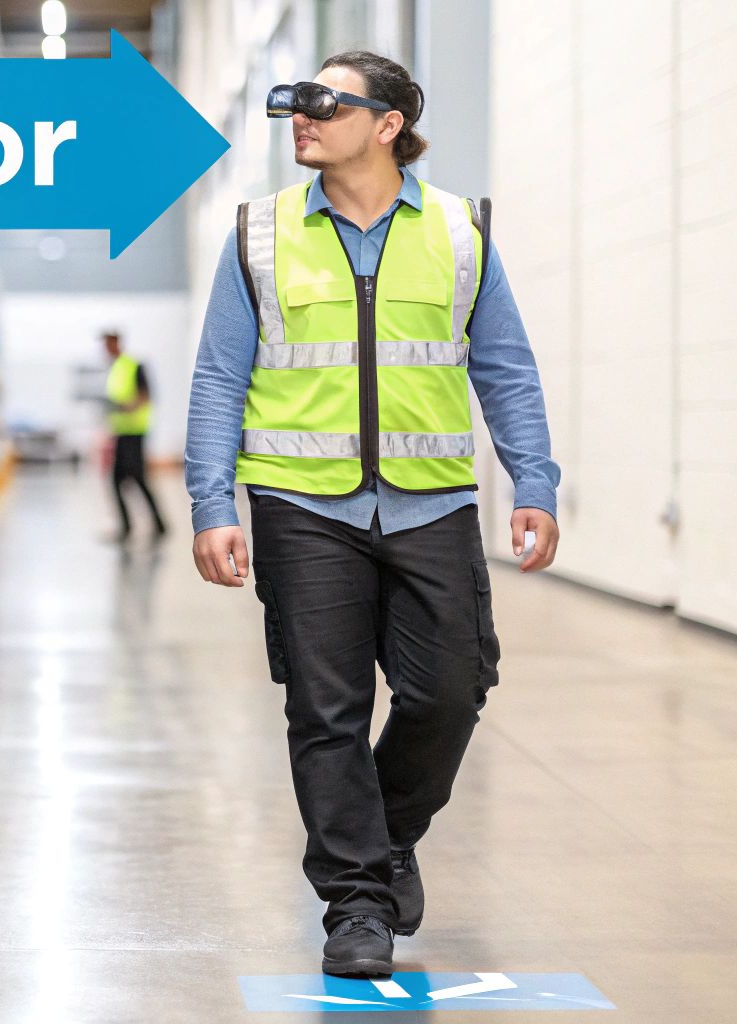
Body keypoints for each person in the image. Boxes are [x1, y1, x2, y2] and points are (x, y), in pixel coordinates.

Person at [184, 51, 562, 977]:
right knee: (326, 711)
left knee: (450, 692)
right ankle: (356, 903)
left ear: (388, 123)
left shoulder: (460, 231)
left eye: (322, 103)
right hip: (301, 506)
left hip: (431, 504)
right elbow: (218, 378)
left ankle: (389, 838)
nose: (300, 118)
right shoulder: (260, 233)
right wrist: (210, 501)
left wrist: (535, 484)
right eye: (295, 104)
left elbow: (503, 366)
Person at [104, 330, 168, 542]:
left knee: (137, 479)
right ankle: (131, 526)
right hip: (122, 432)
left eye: (108, 343)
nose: (105, 348)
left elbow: (145, 396)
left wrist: (126, 407)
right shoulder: (115, 368)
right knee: (117, 480)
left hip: (135, 432)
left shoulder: (133, 365)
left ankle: (158, 525)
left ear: (117, 342)